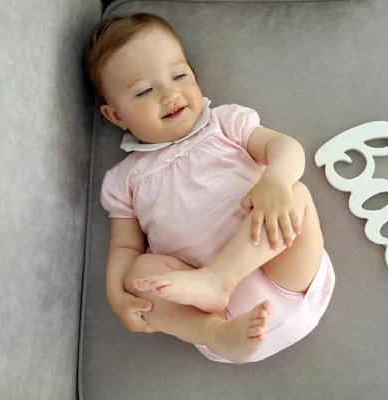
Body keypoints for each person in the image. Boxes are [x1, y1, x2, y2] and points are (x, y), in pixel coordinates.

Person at [85, 12, 336, 364]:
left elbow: (286, 147)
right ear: (116, 116)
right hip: (220, 318)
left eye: (178, 75)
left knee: (295, 194)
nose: (170, 93)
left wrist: (275, 178)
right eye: (145, 90)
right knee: (138, 274)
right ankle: (215, 335)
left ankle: (220, 277)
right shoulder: (124, 180)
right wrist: (117, 295)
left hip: (287, 276)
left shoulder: (225, 124)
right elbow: (124, 247)